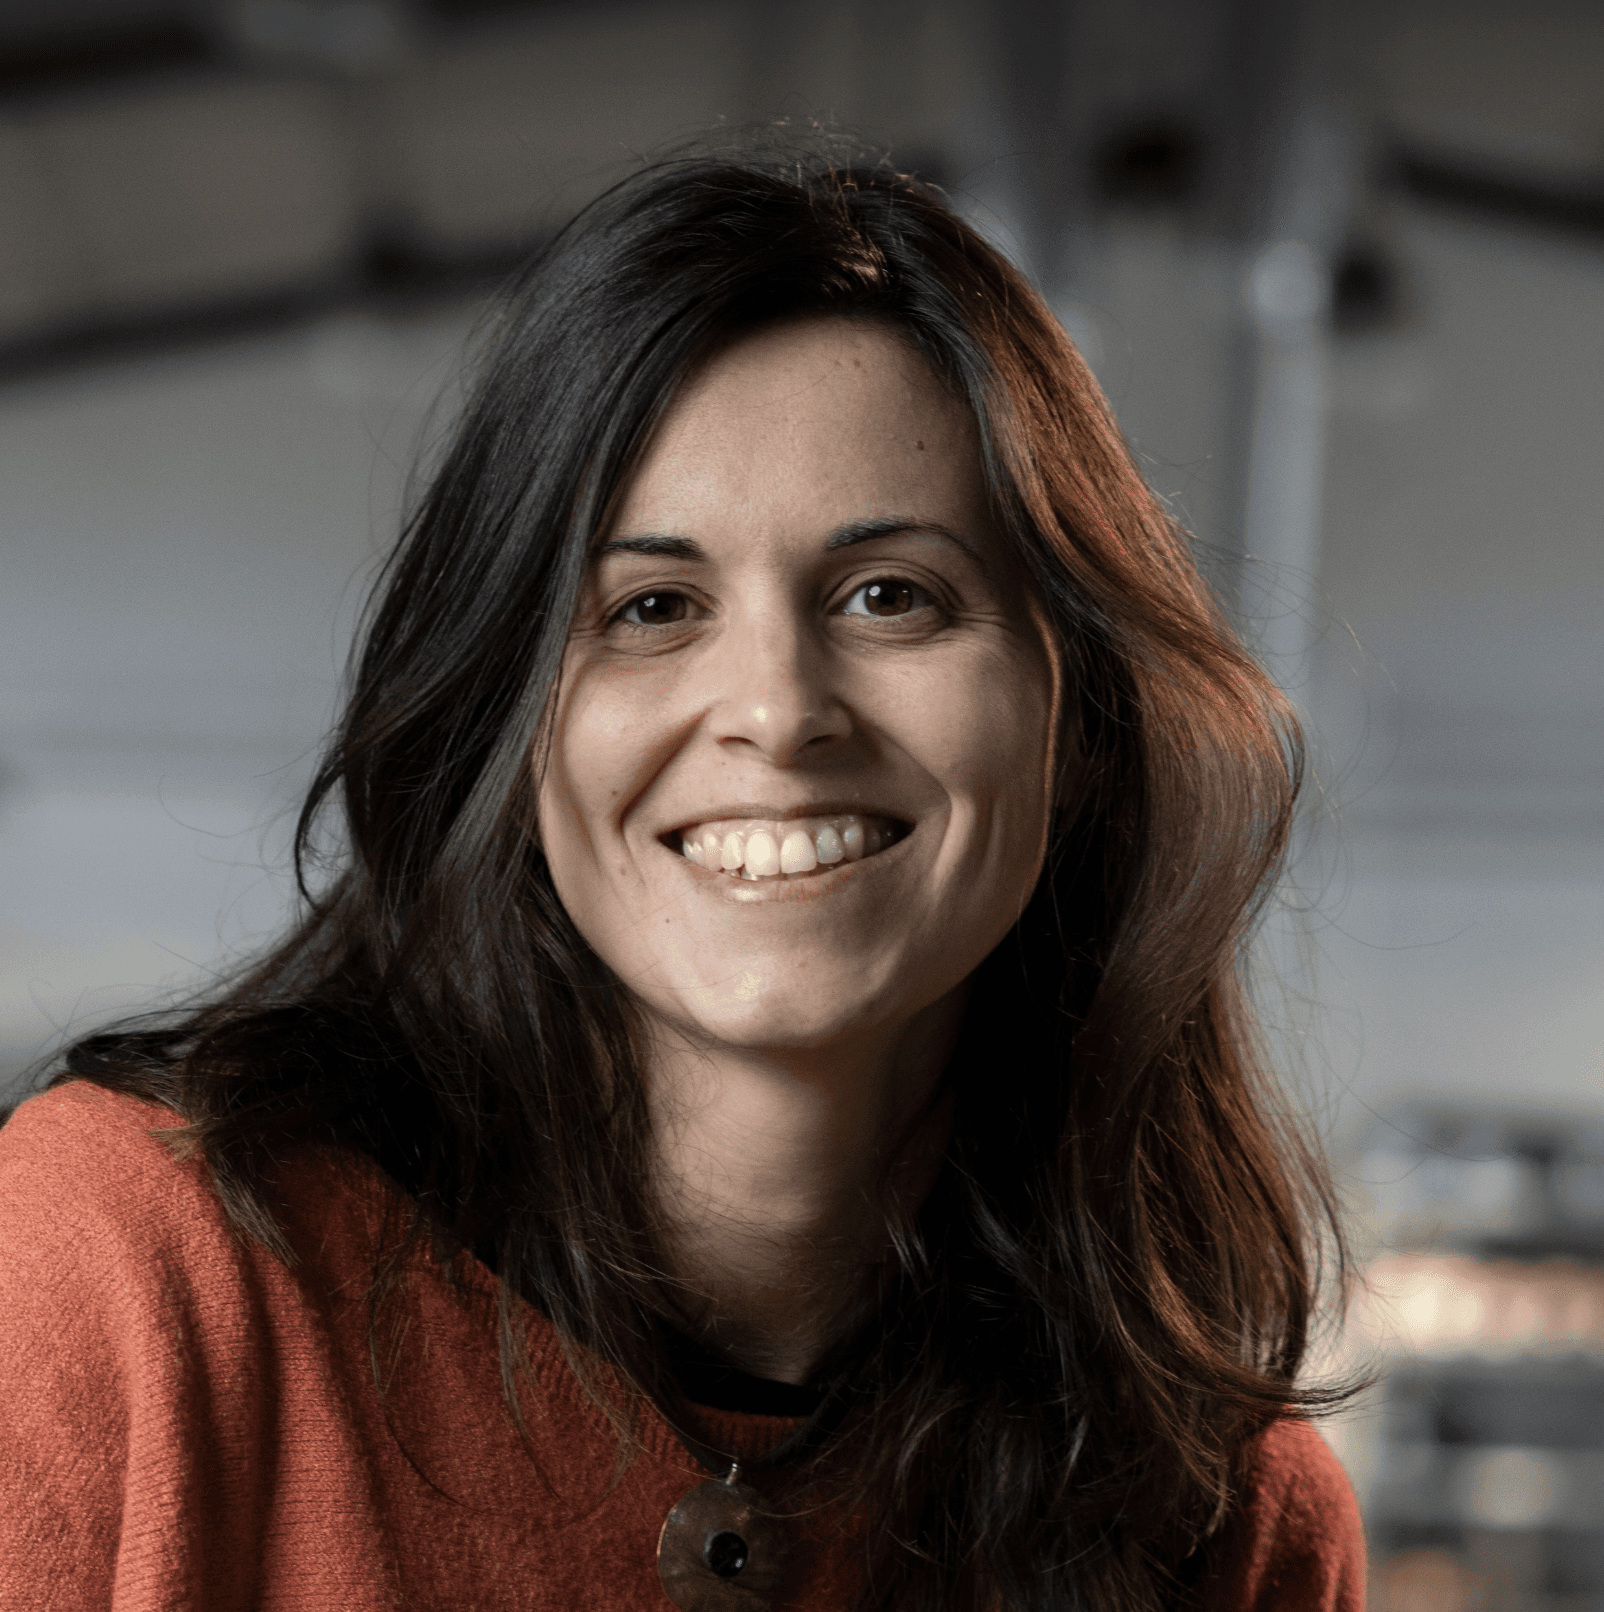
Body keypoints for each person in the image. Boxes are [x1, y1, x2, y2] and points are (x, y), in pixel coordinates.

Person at [0, 146, 1364, 1611]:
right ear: (510, 729)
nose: (778, 711)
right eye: (652, 608)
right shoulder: (120, 1272)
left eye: (889, 595)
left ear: (1077, 716)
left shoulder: (1223, 1510)